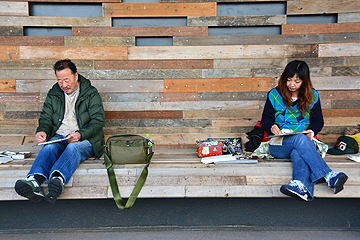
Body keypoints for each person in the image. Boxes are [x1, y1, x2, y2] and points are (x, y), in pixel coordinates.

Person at [15, 59, 105, 203]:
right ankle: (34, 182)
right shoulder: (54, 93)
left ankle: (57, 180)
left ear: (76, 76)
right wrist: (42, 131)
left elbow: (98, 121)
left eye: (66, 80)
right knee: (49, 146)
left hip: (85, 139)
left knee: (73, 147)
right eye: (59, 80)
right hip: (60, 137)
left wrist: (80, 134)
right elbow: (46, 118)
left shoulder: (90, 93)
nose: (63, 85)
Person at [260, 60, 348, 201]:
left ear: (304, 81)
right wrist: (271, 126)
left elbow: (318, 121)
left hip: (303, 143)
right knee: (300, 140)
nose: (291, 84)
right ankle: (329, 175)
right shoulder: (274, 94)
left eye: (297, 81)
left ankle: (301, 186)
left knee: (299, 149)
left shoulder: (312, 96)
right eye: (288, 80)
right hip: (279, 144)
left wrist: (311, 131)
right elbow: (265, 119)